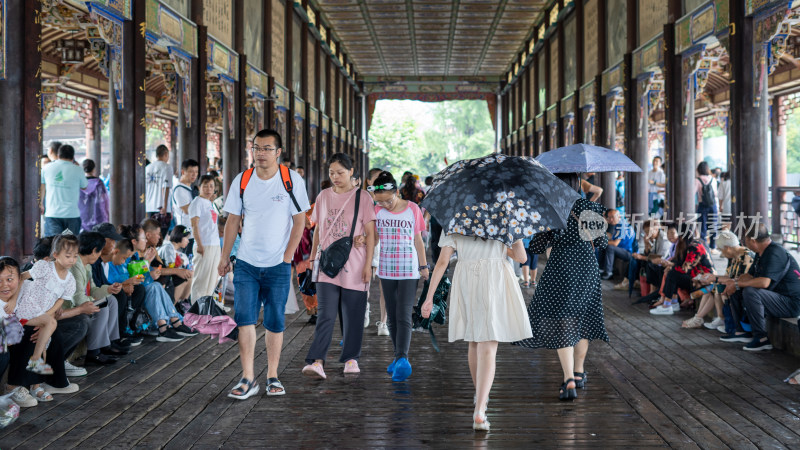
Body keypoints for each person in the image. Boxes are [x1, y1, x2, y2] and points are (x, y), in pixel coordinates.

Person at [219, 129, 310, 399]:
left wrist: (287, 256)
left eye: (267, 148)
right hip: (246, 262)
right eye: (256, 147)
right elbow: (232, 220)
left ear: (278, 152)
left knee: (274, 321)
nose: (260, 153)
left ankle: (272, 375)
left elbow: (300, 221)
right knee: (245, 319)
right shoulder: (242, 180)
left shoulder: (291, 180)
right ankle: (248, 378)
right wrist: (225, 257)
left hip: (278, 264)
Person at [423, 222, 532, 431]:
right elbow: (522, 258)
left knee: (474, 341)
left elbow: (442, 261)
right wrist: (515, 233)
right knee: (488, 346)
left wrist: (429, 297)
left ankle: (480, 397)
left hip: (466, 277)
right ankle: (480, 409)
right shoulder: (502, 218)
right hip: (495, 277)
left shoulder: (455, 218)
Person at [513, 172, 609, 403]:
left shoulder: (550, 210)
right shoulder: (590, 207)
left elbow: (535, 246)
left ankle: (569, 380)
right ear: (576, 184)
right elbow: (603, 242)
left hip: (561, 269)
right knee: (583, 319)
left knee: (562, 319)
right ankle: (579, 371)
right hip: (587, 267)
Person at [301, 153, 376, 380]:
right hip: (326, 264)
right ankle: (317, 361)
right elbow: (318, 231)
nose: (335, 177)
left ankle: (351, 358)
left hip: (355, 263)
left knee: (353, 314)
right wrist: (313, 257)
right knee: (326, 314)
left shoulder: (363, 197)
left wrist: (368, 265)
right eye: (332, 172)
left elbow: (371, 234)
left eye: (340, 173)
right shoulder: (323, 196)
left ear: (351, 172)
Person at [370, 172, 428, 382]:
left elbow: (418, 240)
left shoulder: (413, 209)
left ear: (396, 191)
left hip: (409, 270)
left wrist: (423, 266)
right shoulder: (376, 210)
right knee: (392, 318)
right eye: (380, 201)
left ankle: (403, 358)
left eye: (388, 199)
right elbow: (374, 238)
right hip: (386, 269)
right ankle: (397, 357)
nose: (384, 204)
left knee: (403, 315)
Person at [721, 224, 800, 351]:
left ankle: (762, 338)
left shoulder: (775, 252)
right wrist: (734, 282)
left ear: (752, 241)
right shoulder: (761, 253)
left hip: (790, 303)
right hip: (774, 297)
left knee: (751, 291)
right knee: (738, 288)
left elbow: (764, 283)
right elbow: (749, 276)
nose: (743, 242)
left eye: (745, 239)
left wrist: (738, 283)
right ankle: (741, 331)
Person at [15, 233, 80, 376]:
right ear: (55, 254)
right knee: (51, 324)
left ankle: (37, 384)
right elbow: (22, 277)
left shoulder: (70, 280)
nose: (72, 260)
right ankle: (35, 360)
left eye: (75, 256)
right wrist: (13, 301)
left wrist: (45, 317)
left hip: (41, 314)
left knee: (45, 344)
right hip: (26, 307)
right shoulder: (44, 267)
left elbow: (60, 301)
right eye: (68, 256)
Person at [71, 232, 128, 365]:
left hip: (84, 301)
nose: (100, 254)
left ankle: (108, 343)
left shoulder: (88, 266)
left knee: (112, 300)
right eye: (99, 251)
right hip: (73, 306)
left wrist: (109, 289)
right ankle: (94, 352)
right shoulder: (76, 266)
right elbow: (78, 297)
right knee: (102, 305)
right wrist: (95, 299)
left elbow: (94, 289)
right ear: (93, 251)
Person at [682, 231, 753, 330]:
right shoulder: (733, 257)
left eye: (721, 250)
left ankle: (720, 320)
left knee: (717, 288)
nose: (721, 254)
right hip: (735, 285)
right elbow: (728, 276)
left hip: (745, 289)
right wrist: (712, 277)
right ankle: (703, 318)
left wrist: (715, 278)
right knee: (712, 287)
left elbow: (739, 280)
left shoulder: (746, 256)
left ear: (727, 248)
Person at [650, 223, 714, 315]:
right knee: (671, 271)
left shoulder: (695, 247)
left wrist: (670, 265)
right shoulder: (688, 245)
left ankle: (667, 306)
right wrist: (669, 265)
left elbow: (685, 268)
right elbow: (679, 263)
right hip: (695, 277)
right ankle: (674, 303)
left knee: (673, 273)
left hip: (703, 280)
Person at [40, 144, 88, 236]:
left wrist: (41, 203)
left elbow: (42, 186)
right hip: (72, 215)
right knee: (71, 246)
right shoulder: (78, 170)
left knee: (53, 244)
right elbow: (84, 186)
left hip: (52, 213)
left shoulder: (46, 168)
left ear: (58, 155)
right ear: (73, 157)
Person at [364, 169, 389, 336]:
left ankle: (383, 322)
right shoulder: (363, 198)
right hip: (366, 243)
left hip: (386, 245)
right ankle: (364, 308)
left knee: (385, 285)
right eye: (375, 180)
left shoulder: (388, 199)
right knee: (365, 280)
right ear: (368, 181)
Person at [189, 175, 221, 302]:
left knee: (212, 279)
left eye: (211, 186)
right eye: (205, 186)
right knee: (201, 279)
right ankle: (196, 310)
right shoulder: (196, 202)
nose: (208, 189)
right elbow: (194, 225)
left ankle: (206, 309)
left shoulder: (209, 203)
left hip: (214, 244)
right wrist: (199, 244)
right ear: (199, 187)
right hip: (204, 245)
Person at [159, 225, 192, 305]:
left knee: (190, 275)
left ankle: (182, 303)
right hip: (162, 276)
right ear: (180, 236)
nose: (188, 241)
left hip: (166, 274)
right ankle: (173, 305)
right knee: (186, 276)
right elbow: (169, 267)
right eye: (186, 238)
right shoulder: (168, 248)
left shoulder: (171, 248)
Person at [172, 159, 200, 254]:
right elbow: (187, 210)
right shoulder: (179, 189)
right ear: (183, 172)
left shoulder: (189, 188)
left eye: (196, 172)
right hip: (185, 233)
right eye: (191, 172)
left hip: (193, 232)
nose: (194, 175)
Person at [599, 209, 634, 280]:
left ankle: (609, 272)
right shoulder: (618, 225)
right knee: (604, 245)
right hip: (621, 249)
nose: (611, 219)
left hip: (628, 252)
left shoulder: (622, 226)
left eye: (613, 217)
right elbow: (612, 237)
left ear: (619, 216)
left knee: (609, 247)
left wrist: (601, 242)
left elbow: (615, 243)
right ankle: (602, 269)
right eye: (609, 217)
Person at [78, 158, 109, 232]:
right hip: (98, 217)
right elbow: (104, 202)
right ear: (94, 169)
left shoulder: (79, 183)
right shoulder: (99, 183)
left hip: (82, 218)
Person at [146, 145, 173, 223]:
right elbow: (165, 187)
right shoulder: (167, 167)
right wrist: (165, 207)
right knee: (160, 234)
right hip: (161, 208)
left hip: (149, 207)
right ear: (166, 154)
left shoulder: (147, 168)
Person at [696, 161, 719, 252]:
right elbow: (715, 194)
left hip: (702, 205)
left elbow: (692, 193)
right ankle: (713, 247)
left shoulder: (697, 180)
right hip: (712, 205)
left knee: (702, 226)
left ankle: (704, 247)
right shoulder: (713, 179)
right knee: (713, 225)